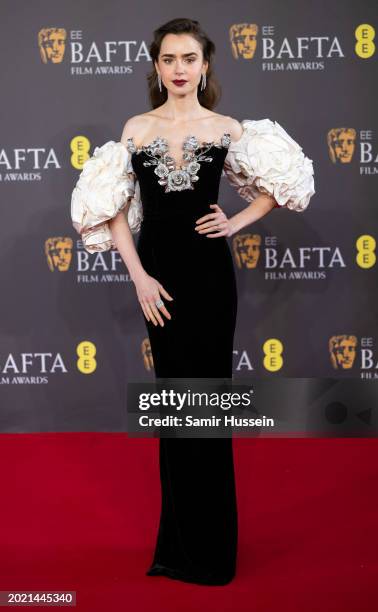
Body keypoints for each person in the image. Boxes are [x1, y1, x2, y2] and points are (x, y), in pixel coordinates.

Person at [71, 18, 315, 586]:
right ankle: (177, 547)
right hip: (158, 280)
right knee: (175, 411)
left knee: (207, 411)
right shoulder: (136, 128)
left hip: (209, 282)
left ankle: (212, 554)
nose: (179, 69)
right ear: (156, 68)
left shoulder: (227, 129)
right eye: (169, 59)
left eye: (189, 59)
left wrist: (235, 221)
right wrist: (139, 278)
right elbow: (112, 207)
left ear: (205, 66)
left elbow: (285, 185)